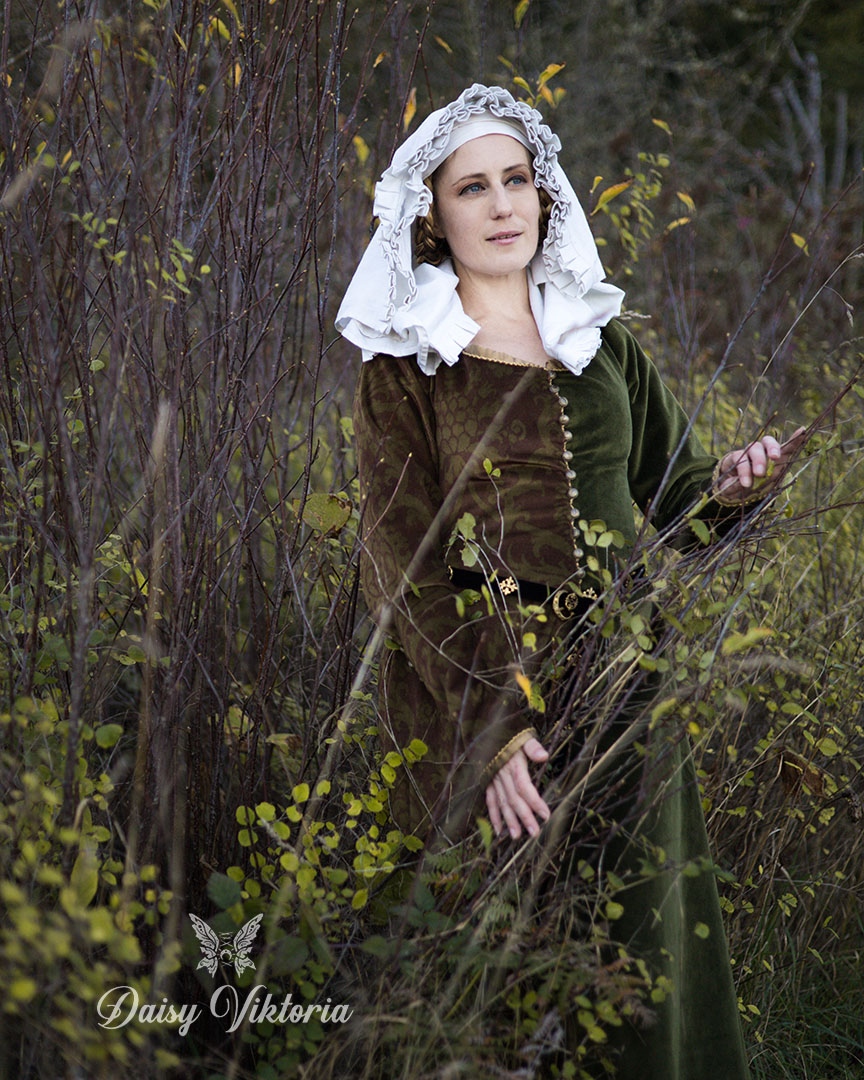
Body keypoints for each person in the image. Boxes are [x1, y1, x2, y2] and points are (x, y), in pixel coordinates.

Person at [337, 84, 804, 1079]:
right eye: (474, 187)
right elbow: (403, 561)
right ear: (434, 213)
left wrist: (737, 483)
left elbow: (682, 510)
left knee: (638, 953)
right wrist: (493, 725)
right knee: (514, 971)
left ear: (545, 199)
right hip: (491, 698)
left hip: (627, 689)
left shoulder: (603, 346)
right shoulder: (410, 366)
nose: (503, 203)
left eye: (519, 180)